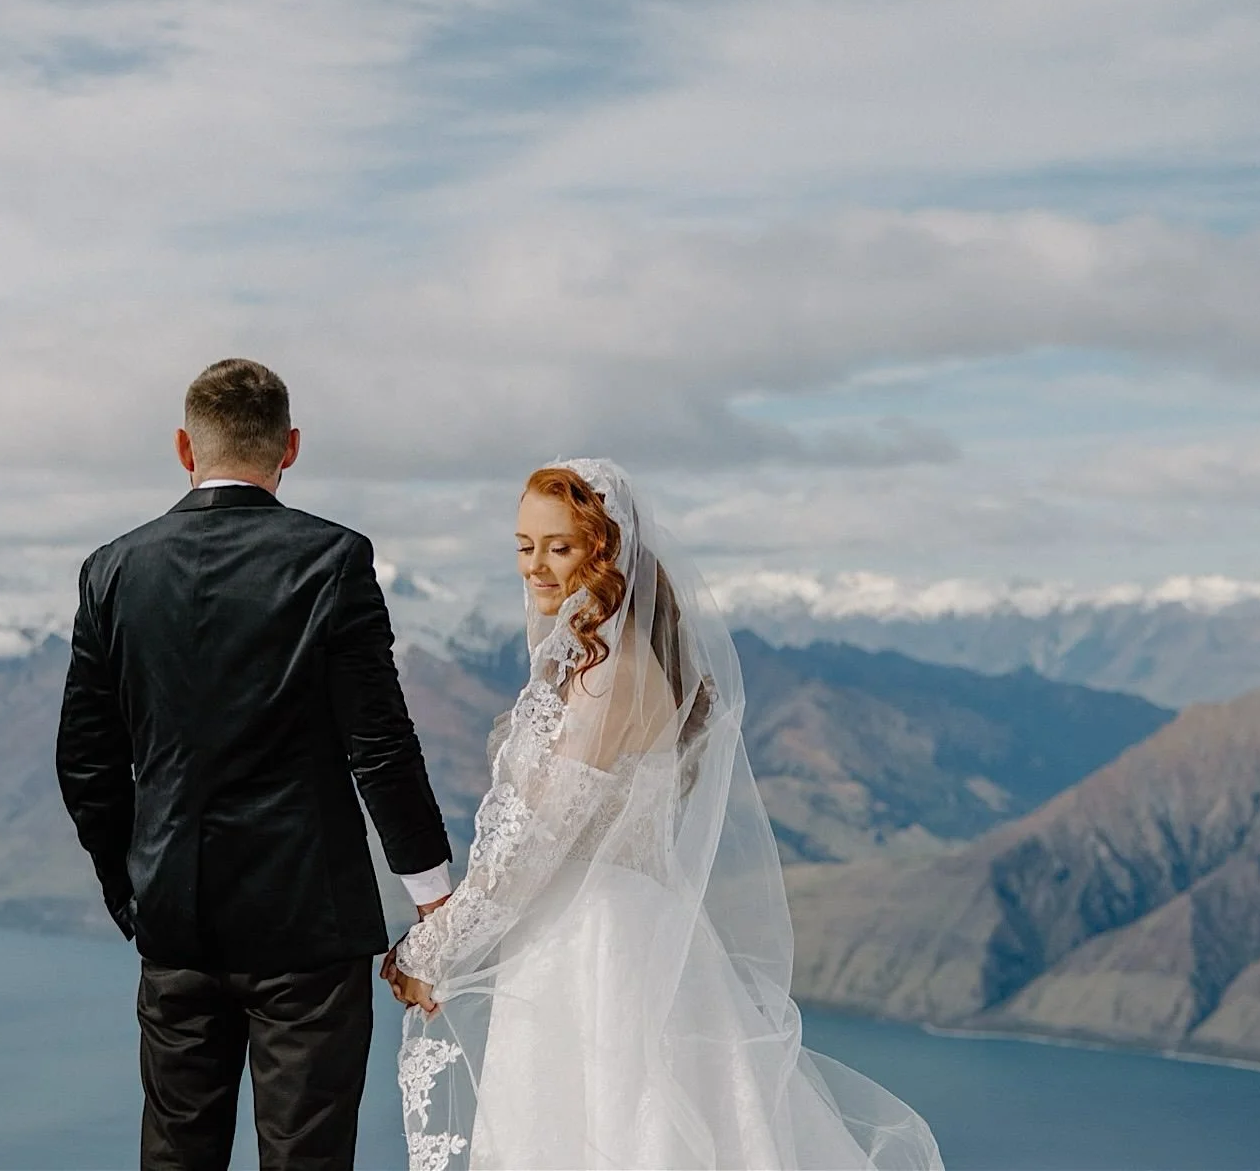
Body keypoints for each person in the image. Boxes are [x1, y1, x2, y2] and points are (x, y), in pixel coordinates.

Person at [385, 460, 942, 1171]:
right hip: (621, 926)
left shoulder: (606, 679)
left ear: (606, 546)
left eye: (559, 545)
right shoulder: (608, 661)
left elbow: (535, 840)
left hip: (592, 945)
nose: (536, 565)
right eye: (525, 544)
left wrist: (429, 952)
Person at [56, 358, 454, 1171]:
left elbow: (86, 762)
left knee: (176, 1155)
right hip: (311, 921)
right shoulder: (332, 560)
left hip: (176, 917)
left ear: (183, 447)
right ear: (291, 446)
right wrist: (433, 896)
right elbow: (379, 742)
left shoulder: (112, 569)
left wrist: (129, 884)